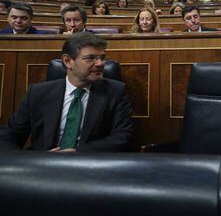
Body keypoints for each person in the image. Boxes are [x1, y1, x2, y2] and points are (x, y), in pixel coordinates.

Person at [0, 32, 133, 152]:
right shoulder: (38, 93)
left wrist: (78, 153)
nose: (100, 63)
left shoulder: (115, 91)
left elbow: (122, 137)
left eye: (102, 58)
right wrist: (29, 161)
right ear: (68, 61)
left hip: (90, 167)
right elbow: (9, 136)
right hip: (43, 167)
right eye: (90, 58)